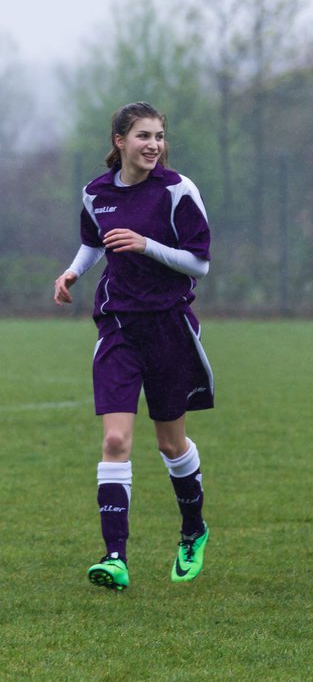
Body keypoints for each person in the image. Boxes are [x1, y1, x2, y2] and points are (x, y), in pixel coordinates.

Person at [53, 102, 215, 591]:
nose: (154, 145)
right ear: (119, 140)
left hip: (168, 327)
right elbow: (95, 242)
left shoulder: (177, 191)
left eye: (160, 136)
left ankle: (193, 531)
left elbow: (199, 264)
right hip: (118, 326)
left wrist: (147, 245)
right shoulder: (95, 193)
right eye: (143, 135)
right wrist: (73, 273)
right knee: (116, 441)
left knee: (170, 442)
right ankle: (115, 557)